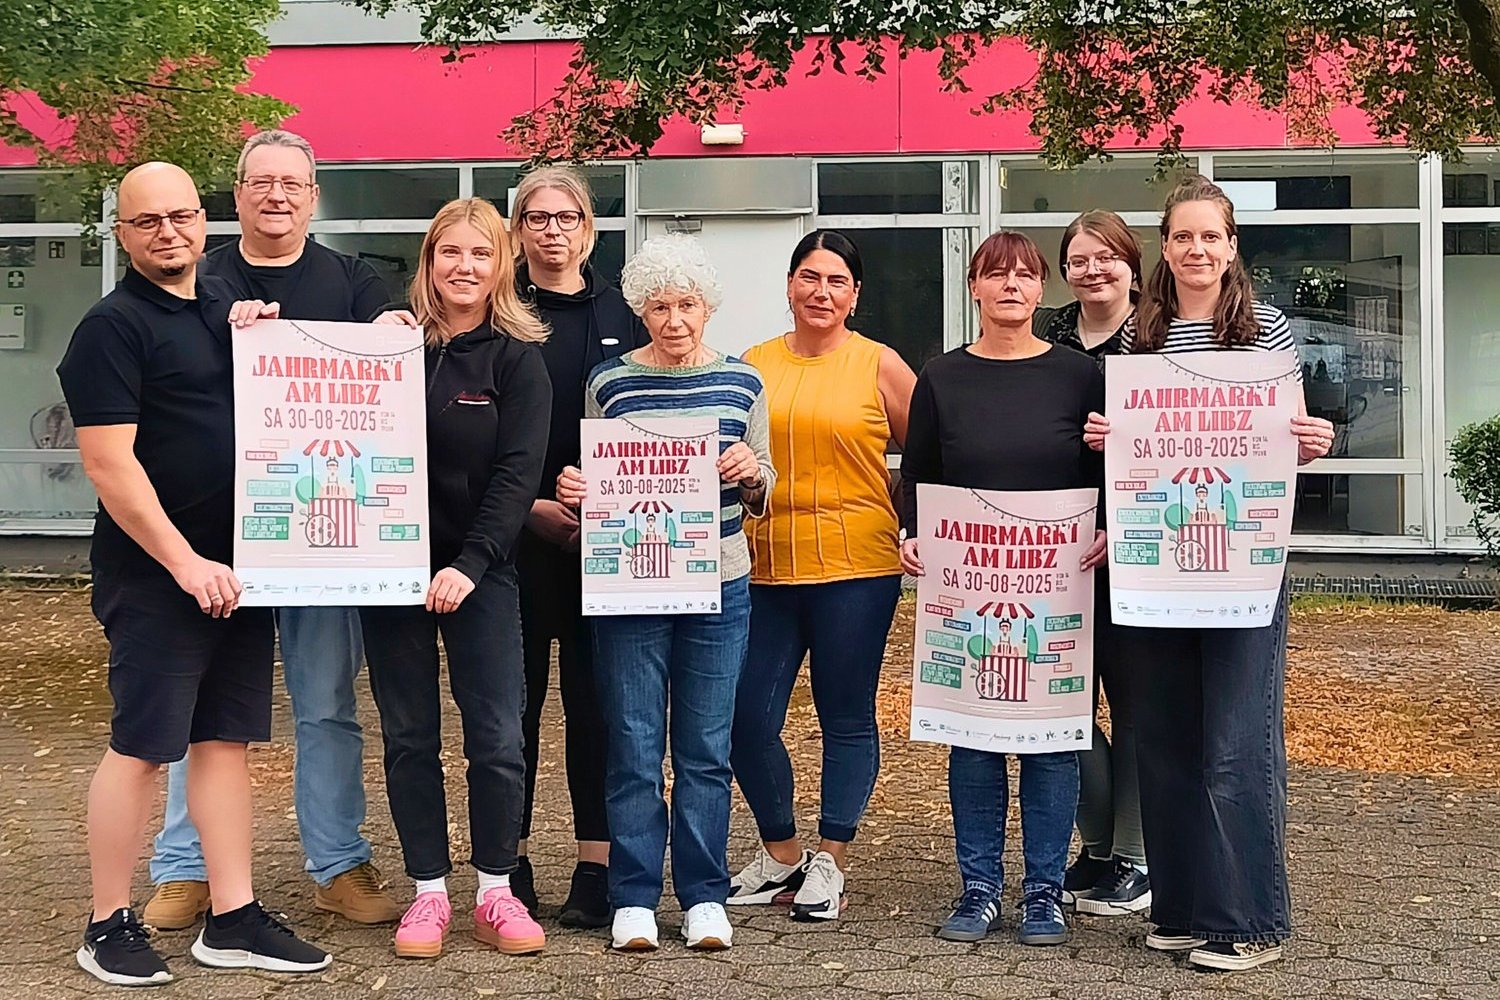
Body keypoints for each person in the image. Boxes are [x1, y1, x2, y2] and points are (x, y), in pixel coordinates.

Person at [59, 162, 330, 987]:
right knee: (142, 749)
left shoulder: (227, 310)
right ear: (124, 235)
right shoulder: (110, 329)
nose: (167, 232)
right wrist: (183, 564)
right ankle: (107, 923)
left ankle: (233, 915)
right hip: (160, 578)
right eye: (147, 222)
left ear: (204, 222)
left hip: (243, 570)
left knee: (223, 745)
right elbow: (109, 466)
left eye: (180, 216)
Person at [144, 130, 401, 932]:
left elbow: (387, 385)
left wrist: (393, 333)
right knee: (207, 709)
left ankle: (337, 861)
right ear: (238, 194)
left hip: (326, 541)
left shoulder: (356, 283)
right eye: (262, 182)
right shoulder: (199, 279)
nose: (277, 196)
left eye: (293, 183)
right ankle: (185, 869)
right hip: (219, 537)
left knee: (325, 701)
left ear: (314, 194)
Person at [1083, 175, 1334, 972]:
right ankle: (1185, 908)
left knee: (1235, 743)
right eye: (1183, 237)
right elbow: (1129, 441)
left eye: (1211, 237)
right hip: (1155, 564)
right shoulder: (1141, 337)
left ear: (1232, 247)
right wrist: (1105, 435)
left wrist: (1314, 439)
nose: (1197, 250)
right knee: (1161, 740)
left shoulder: (1267, 329)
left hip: (1242, 566)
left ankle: (1250, 918)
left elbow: (1290, 435)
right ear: (1166, 246)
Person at [556, 234, 775, 952]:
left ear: (706, 306)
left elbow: (768, 482)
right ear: (640, 309)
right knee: (633, 744)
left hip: (720, 579)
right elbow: (594, 477)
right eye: (658, 306)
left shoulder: (743, 383)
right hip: (631, 582)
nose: (674, 319)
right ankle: (634, 897)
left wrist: (751, 472)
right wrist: (579, 490)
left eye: (686, 304)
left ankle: (705, 895)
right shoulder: (609, 382)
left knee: (707, 747)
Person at [347, 198, 552, 958]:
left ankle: (496, 890)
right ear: (428, 261)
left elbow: (516, 474)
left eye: (480, 254)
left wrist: (469, 565)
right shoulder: (389, 348)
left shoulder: (517, 358)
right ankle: (428, 894)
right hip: (389, 572)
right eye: (449, 253)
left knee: (497, 737)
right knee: (408, 736)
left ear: (502, 265)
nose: (463, 267)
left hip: (482, 572)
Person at [898, 231, 1106, 947]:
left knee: (1051, 741)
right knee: (973, 739)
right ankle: (979, 887)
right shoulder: (942, 377)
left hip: (1059, 586)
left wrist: (1111, 527)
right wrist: (912, 534)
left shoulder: (1081, 376)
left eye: (1025, 274)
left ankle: (1044, 892)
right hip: (968, 586)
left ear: (1042, 289)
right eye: (997, 274)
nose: (1012, 286)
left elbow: (1110, 469)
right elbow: (918, 470)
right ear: (975, 289)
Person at [728, 231, 915, 922]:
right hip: (766, 567)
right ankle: (781, 853)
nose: (821, 292)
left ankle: (831, 859)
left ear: (855, 294)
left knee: (845, 714)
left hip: (857, 569)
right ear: (789, 284)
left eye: (837, 281)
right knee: (746, 716)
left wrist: (919, 524)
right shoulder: (752, 364)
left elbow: (927, 450)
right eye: (809, 277)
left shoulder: (879, 364)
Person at [511, 165, 647, 926]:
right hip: (512, 545)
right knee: (511, 714)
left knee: (600, 712)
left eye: (566, 216)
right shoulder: (496, 310)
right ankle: (514, 861)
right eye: (537, 217)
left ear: (588, 228)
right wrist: (528, 506)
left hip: (612, 551)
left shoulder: (626, 311)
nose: (552, 229)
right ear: (519, 228)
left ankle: (597, 866)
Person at [1039, 211, 1151, 918]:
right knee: (1064, 704)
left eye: (1106, 258)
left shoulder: (1160, 335)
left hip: (1138, 545)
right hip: (1053, 548)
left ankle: (1138, 857)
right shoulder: (1047, 334)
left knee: (1136, 704)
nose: (1093, 271)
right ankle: (1099, 847)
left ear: (1131, 264)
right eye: (1079, 260)